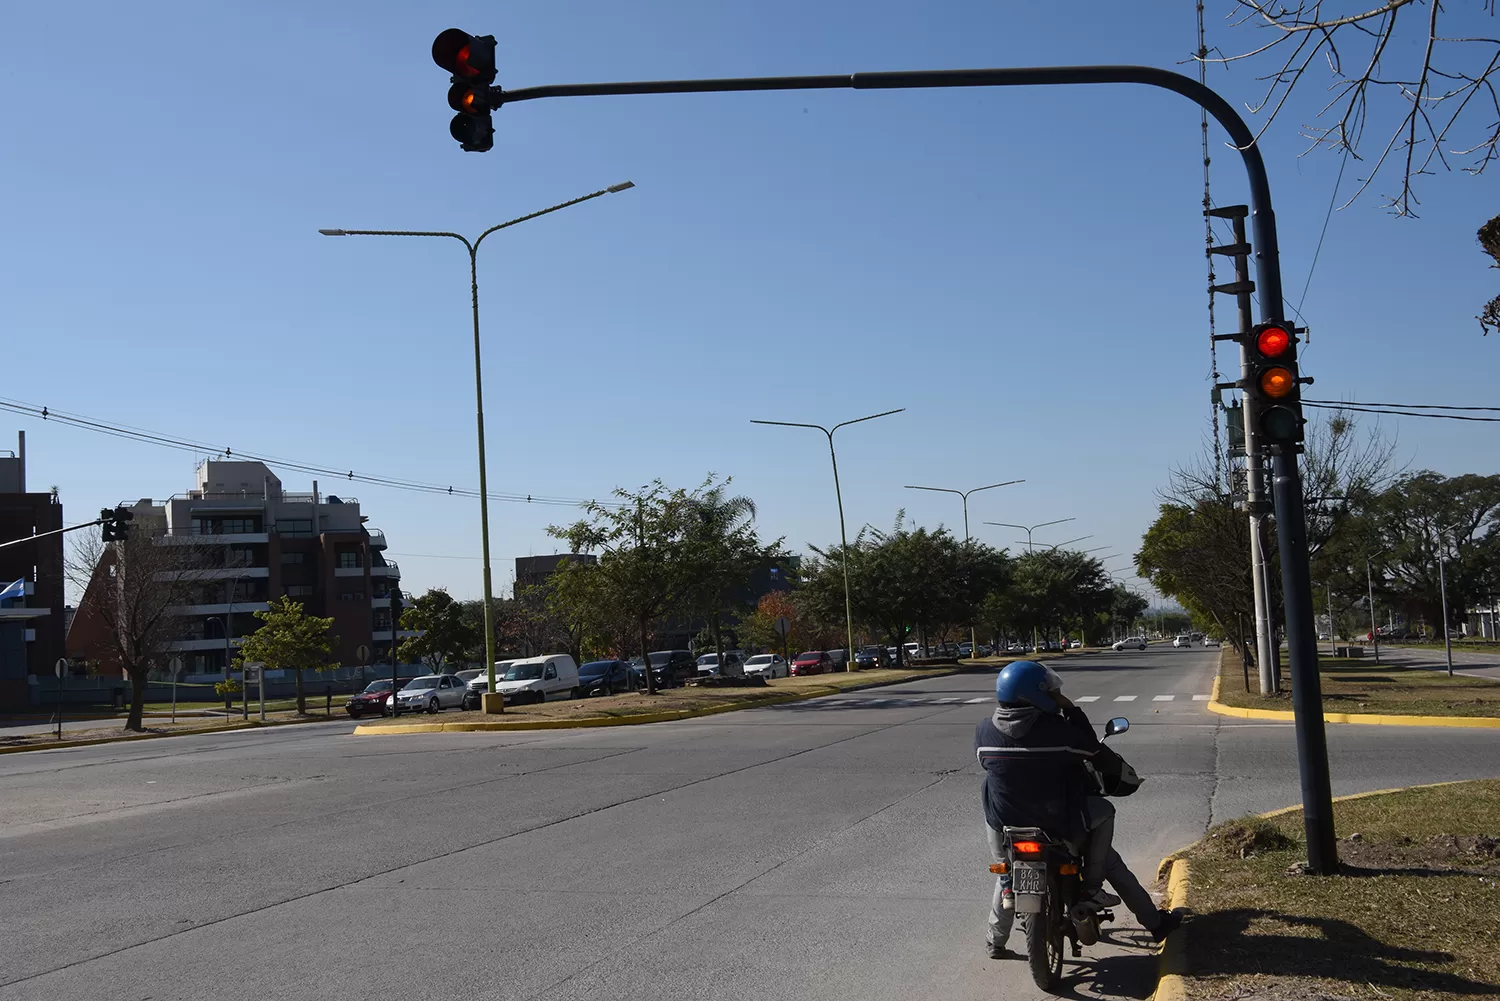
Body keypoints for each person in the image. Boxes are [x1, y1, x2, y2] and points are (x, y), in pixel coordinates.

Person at [974, 660, 1180, 959]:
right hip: (1059, 822)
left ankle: (996, 940)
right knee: (1108, 842)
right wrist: (1071, 709)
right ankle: (1137, 912)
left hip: (1009, 823)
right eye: (1051, 690)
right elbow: (1095, 752)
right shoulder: (1059, 731)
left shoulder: (983, 731)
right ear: (1039, 694)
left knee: (1007, 868)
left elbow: (988, 766)